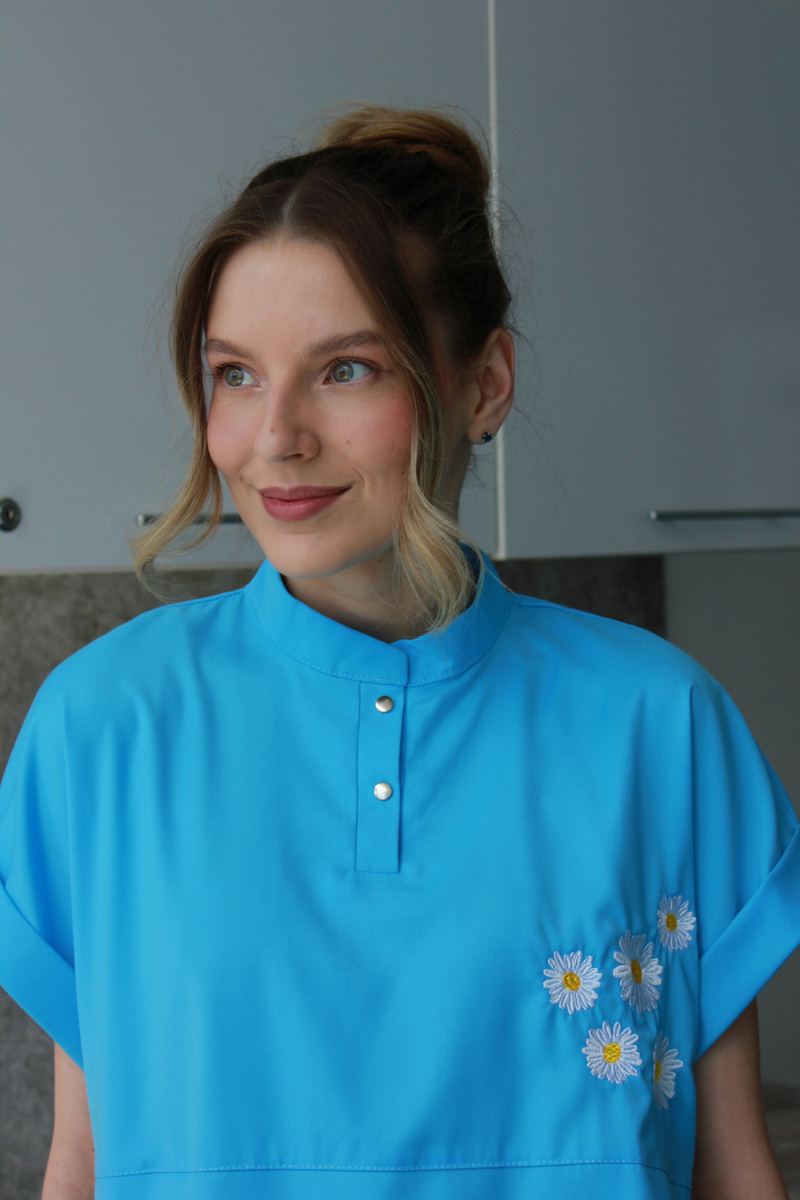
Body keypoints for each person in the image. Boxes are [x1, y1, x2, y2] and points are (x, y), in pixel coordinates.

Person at [1, 105, 798, 1200]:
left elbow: (732, 1169)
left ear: (485, 383)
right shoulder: (100, 728)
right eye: (235, 374)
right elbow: (84, 1161)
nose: (275, 436)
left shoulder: (660, 723)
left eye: (345, 369)